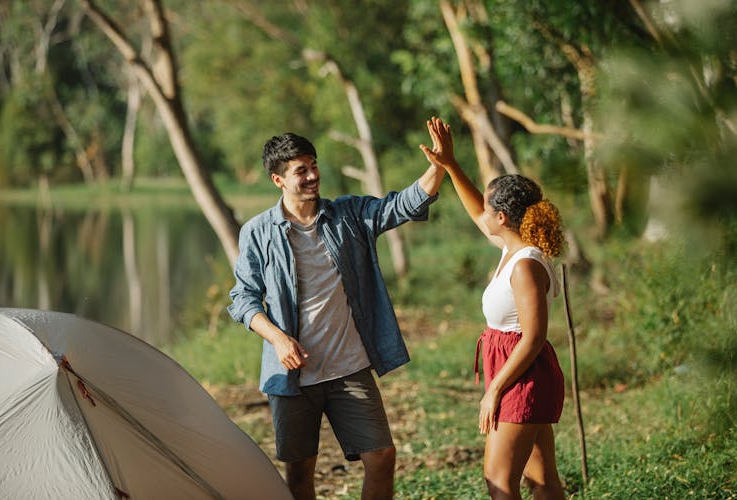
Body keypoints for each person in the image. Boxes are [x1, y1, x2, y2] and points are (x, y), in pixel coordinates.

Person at [227, 119, 447, 499]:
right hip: (291, 377)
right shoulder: (257, 232)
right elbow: (243, 298)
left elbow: (403, 205)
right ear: (278, 180)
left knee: (381, 456)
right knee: (299, 473)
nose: (313, 176)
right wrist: (279, 339)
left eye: (314, 165)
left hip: (350, 368)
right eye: (301, 171)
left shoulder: (349, 215)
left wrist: (439, 165)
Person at [421, 120, 566, 499]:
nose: (481, 212)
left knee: (500, 482)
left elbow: (533, 338)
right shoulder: (513, 248)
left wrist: (495, 390)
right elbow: (477, 213)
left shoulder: (526, 265)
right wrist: (451, 164)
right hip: (517, 371)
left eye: (488, 207)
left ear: (502, 217)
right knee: (543, 480)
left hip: (522, 374)